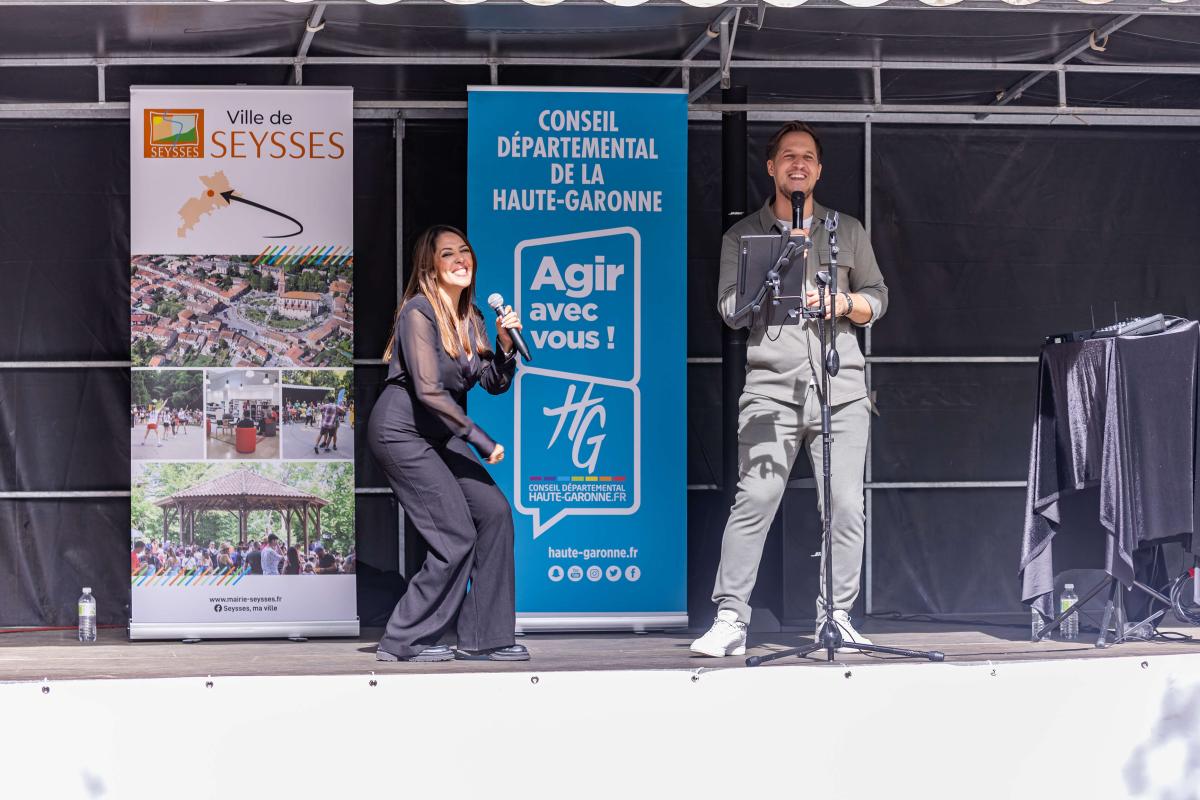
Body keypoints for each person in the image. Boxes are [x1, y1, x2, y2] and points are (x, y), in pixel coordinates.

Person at [691, 121, 889, 658]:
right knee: (755, 497)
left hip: (840, 389)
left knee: (845, 505)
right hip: (771, 390)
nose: (797, 164)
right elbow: (730, 311)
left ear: (818, 170)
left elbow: (877, 296)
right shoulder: (743, 236)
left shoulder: (846, 230)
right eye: (788, 156)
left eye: (806, 157)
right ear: (771, 167)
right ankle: (731, 617)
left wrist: (843, 304)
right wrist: (775, 267)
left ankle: (836, 616)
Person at [368, 224, 526, 664]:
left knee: (495, 514)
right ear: (430, 266)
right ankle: (403, 640)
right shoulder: (418, 312)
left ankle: (485, 637)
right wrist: (480, 439)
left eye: (464, 251)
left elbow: (492, 382)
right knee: (455, 535)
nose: (460, 260)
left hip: (439, 433)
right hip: (401, 432)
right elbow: (428, 390)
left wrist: (505, 347)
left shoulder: (472, 317)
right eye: (447, 254)